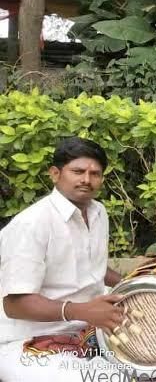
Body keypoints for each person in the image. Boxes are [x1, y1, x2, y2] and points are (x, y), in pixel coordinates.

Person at [0, 137, 124, 381]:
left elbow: (90, 266)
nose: (86, 180)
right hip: (28, 341)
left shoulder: (99, 212)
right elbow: (14, 305)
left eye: (95, 173)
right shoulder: (32, 223)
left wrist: (133, 281)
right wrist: (80, 311)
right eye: (77, 171)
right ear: (55, 174)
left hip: (88, 328)